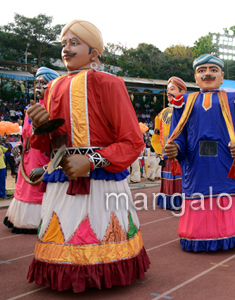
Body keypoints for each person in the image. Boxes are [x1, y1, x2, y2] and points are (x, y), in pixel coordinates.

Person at [26, 20, 150, 292]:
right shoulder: (53, 87)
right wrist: (39, 127)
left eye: (74, 43)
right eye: (64, 44)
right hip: (63, 176)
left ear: (94, 52)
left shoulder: (111, 84)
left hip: (101, 177)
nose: (66, 50)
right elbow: (43, 144)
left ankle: (103, 271)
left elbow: (132, 140)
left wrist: (93, 160)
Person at [164, 54, 235, 251]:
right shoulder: (183, 102)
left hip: (225, 161)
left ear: (222, 76)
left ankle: (232, 235)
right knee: (198, 193)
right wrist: (175, 148)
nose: (207, 73)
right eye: (202, 70)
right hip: (196, 163)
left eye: (213, 70)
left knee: (227, 189)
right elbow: (178, 136)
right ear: (195, 77)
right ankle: (198, 236)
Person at [3, 67, 57, 234]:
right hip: (28, 156)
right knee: (25, 187)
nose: (38, 87)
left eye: (43, 83)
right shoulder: (29, 110)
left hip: (44, 156)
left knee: (39, 188)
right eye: (37, 83)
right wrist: (19, 146)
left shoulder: (54, 109)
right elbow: (25, 135)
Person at [151, 76, 186, 210]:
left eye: (172, 89)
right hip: (166, 153)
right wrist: (160, 151)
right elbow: (156, 134)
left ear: (182, 92)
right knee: (168, 176)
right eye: (168, 90)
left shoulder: (187, 110)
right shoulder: (162, 113)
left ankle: (183, 201)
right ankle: (168, 200)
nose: (169, 92)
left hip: (182, 153)